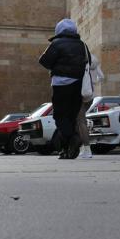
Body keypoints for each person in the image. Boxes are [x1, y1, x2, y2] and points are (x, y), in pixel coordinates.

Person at [39, 18, 87, 159]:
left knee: (59, 116)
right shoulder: (81, 45)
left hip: (61, 84)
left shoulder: (57, 44)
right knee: (71, 117)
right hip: (78, 84)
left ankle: (73, 138)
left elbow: (44, 61)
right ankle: (67, 150)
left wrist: (55, 66)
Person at [77, 53, 104, 159]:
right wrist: (93, 82)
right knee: (80, 119)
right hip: (90, 94)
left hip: (81, 94)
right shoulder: (95, 62)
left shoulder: (80, 61)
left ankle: (87, 149)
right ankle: (83, 148)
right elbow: (102, 77)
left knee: (81, 121)